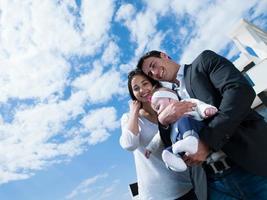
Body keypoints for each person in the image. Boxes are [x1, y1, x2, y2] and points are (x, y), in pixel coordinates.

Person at [137, 50, 267, 200]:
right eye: (150, 74)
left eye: (153, 65)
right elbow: (171, 138)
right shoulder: (168, 99)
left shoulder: (203, 62)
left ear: (164, 55)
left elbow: (239, 91)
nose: (154, 73)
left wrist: (208, 142)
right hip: (212, 184)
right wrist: (164, 122)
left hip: (251, 167)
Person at [120, 69, 207, 200]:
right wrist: (134, 111)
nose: (142, 90)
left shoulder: (172, 108)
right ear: (133, 94)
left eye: (145, 84)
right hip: (156, 193)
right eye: (136, 88)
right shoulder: (130, 118)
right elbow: (129, 144)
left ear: (153, 84)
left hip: (187, 184)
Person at [145, 87, 218, 172]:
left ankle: (190, 139)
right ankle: (177, 162)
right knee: (170, 150)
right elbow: (158, 137)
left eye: (158, 107)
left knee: (183, 119)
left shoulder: (185, 103)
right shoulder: (168, 122)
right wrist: (150, 148)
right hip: (182, 144)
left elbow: (198, 105)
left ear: (170, 99)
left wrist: (206, 110)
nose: (158, 112)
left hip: (196, 131)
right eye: (156, 111)